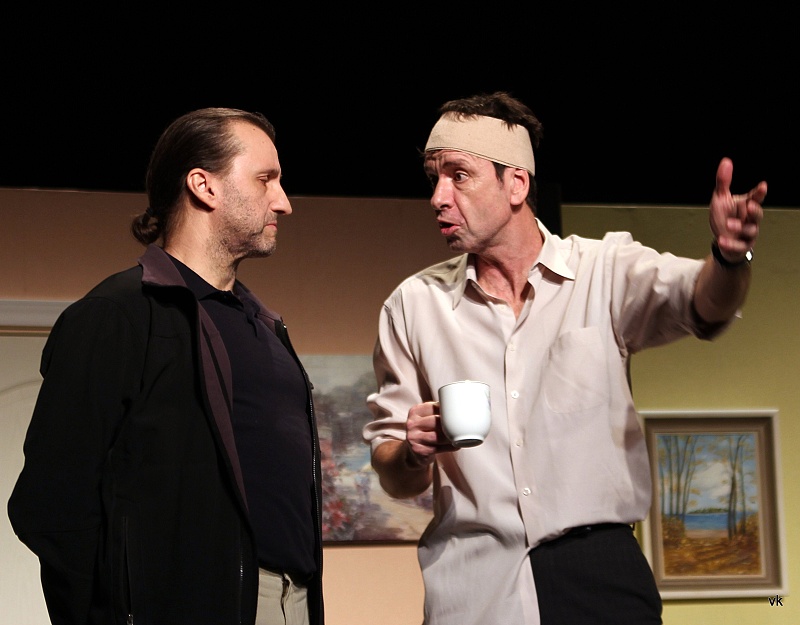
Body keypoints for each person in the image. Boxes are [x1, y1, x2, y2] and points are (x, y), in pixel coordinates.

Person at [363, 92, 765, 625]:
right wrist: (412, 453)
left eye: (458, 175)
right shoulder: (413, 305)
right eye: (433, 178)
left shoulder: (604, 270)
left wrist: (729, 258)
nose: (438, 196)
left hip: (600, 573)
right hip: (474, 585)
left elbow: (705, 303)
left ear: (516, 184)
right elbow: (395, 475)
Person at [8, 108, 324, 625]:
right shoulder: (118, 315)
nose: (283, 202)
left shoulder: (266, 328)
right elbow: (51, 504)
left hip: (294, 602)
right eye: (265, 179)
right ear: (203, 185)